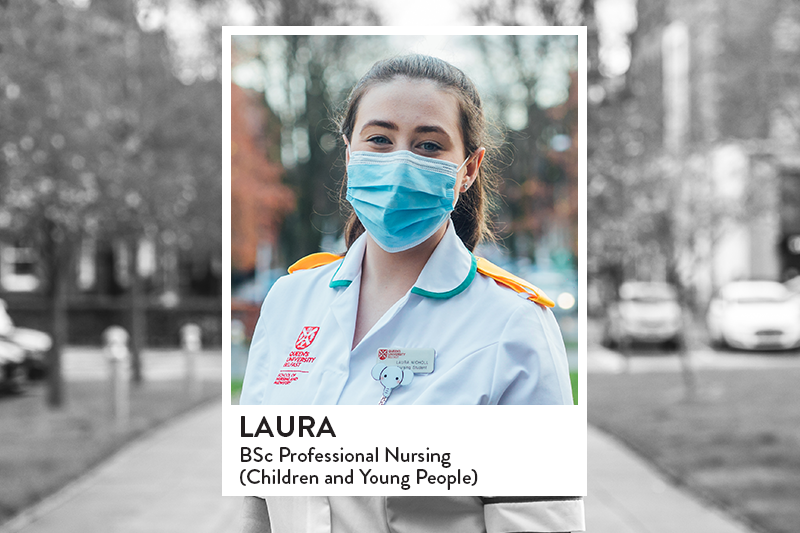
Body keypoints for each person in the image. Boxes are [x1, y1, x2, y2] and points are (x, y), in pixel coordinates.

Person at [239, 54, 583, 532]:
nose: (400, 162)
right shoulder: (288, 302)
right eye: (379, 139)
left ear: (468, 169)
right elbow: (256, 498)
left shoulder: (514, 324)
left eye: (428, 145)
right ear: (348, 154)